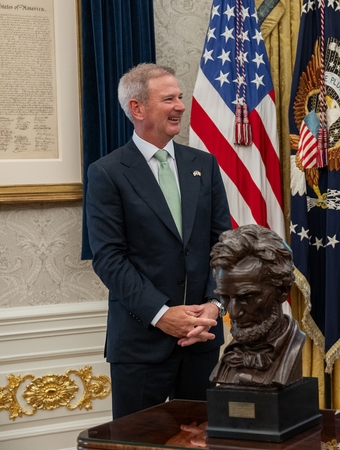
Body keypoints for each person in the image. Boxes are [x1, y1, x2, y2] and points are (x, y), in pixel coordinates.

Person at [85, 63, 231, 418]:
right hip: (140, 345)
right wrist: (162, 315)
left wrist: (215, 305)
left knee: (202, 438)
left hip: (202, 339)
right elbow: (109, 258)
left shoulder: (204, 165)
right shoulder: (107, 173)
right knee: (137, 441)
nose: (181, 106)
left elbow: (224, 246)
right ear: (137, 108)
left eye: (180, 97)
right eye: (169, 99)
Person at [208, 224, 304, 388]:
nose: (233, 313)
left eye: (247, 297)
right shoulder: (229, 357)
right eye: (225, 297)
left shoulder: (293, 346)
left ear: (282, 291)